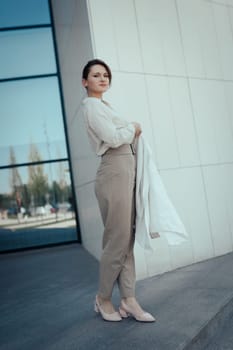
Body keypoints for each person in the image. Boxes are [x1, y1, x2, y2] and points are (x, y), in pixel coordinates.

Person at [81, 59, 155, 322]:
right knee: (117, 239)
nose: (102, 78)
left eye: (105, 75)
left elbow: (117, 134)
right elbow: (113, 138)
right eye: (96, 75)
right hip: (113, 170)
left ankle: (129, 299)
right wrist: (133, 127)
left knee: (127, 239)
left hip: (125, 168)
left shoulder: (103, 105)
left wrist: (128, 132)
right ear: (85, 82)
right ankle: (102, 298)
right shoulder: (91, 106)